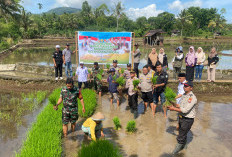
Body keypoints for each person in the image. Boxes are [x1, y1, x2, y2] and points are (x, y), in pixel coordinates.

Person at [167, 81, 197, 155]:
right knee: (182, 133)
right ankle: (184, 146)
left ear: (191, 88)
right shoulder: (184, 95)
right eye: (184, 86)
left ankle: (175, 151)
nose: (184, 87)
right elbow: (179, 106)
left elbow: (185, 110)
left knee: (181, 135)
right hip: (181, 118)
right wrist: (172, 103)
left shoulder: (192, 98)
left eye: (186, 86)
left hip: (187, 119)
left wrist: (173, 109)